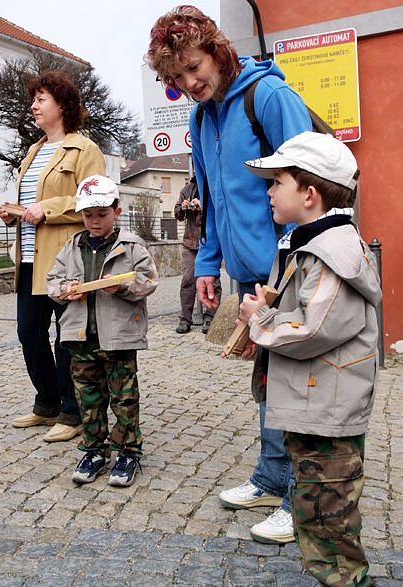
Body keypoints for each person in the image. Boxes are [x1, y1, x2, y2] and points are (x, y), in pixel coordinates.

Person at [147, 5, 312, 542]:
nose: (189, 82)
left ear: (216, 50)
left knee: (295, 386)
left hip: (287, 270)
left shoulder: (269, 98)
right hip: (246, 274)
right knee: (267, 380)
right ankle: (270, 476)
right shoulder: (201, 116)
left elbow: (310, 186)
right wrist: (206, 263)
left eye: (193, 67)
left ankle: (299, 499)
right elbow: (214, 199)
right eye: (176, 77)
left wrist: (290, 265)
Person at [239, 131, 381, 585]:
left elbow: (312, 328)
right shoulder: (312, 245)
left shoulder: (329, 252)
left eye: (276, 182)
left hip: (327, 411)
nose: (269, 192)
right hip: (316, 405)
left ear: (310, 194)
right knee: (315, 510)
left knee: (330, 518)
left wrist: (260, 320)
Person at [0, 70, 105, 443]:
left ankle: (72, 411)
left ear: (62, 105)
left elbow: (95, 198)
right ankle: (46, 404)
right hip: (28, 257)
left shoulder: (84, 149)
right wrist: (14, 211)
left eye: (41, 99)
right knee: (28, 333)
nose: (34, 106)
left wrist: (48, 208)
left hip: (65, 261)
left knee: (68, 337)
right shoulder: (33, 151)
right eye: (34, 99)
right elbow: (30, 204)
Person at [47, 175, 158, 485]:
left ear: (116, 212)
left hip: (119, 336)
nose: (94, 222)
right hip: (80, 336)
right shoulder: (72, 246)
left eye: (101, 215)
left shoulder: (131, 245)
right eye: (88, 215)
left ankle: (127, 451)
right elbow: (51, 282)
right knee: (89, 396)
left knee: (123, 398)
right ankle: (94, 449)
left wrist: (122, 286)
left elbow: (149, 281)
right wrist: (66, 289)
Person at [173, 176, 221, 334]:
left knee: (212, 281)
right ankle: (185, 319)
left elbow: (221, 207)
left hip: (209, 242)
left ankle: (210, 316)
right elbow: (177, 214)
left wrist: (203, 207)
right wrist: (183, 208)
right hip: (190, 243)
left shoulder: (214, 183)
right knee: (187, 280)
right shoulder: (187, 189)